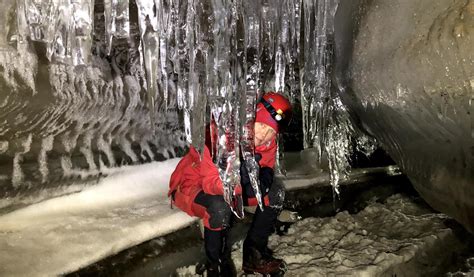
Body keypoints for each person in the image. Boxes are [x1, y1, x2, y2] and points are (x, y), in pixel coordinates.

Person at [168, 92, 292, 276]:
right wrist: (240, 182)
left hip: (233, 187)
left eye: (271, 131)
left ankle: (254, 255)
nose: (264, 135)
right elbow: (210, 183)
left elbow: (266, 164)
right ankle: (216, 267)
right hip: (191, 186)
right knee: (220, 206)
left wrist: (265, 175)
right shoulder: (219, 135)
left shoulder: (268, 142)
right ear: (251, 118)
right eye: (262, 125)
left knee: (275, 192)